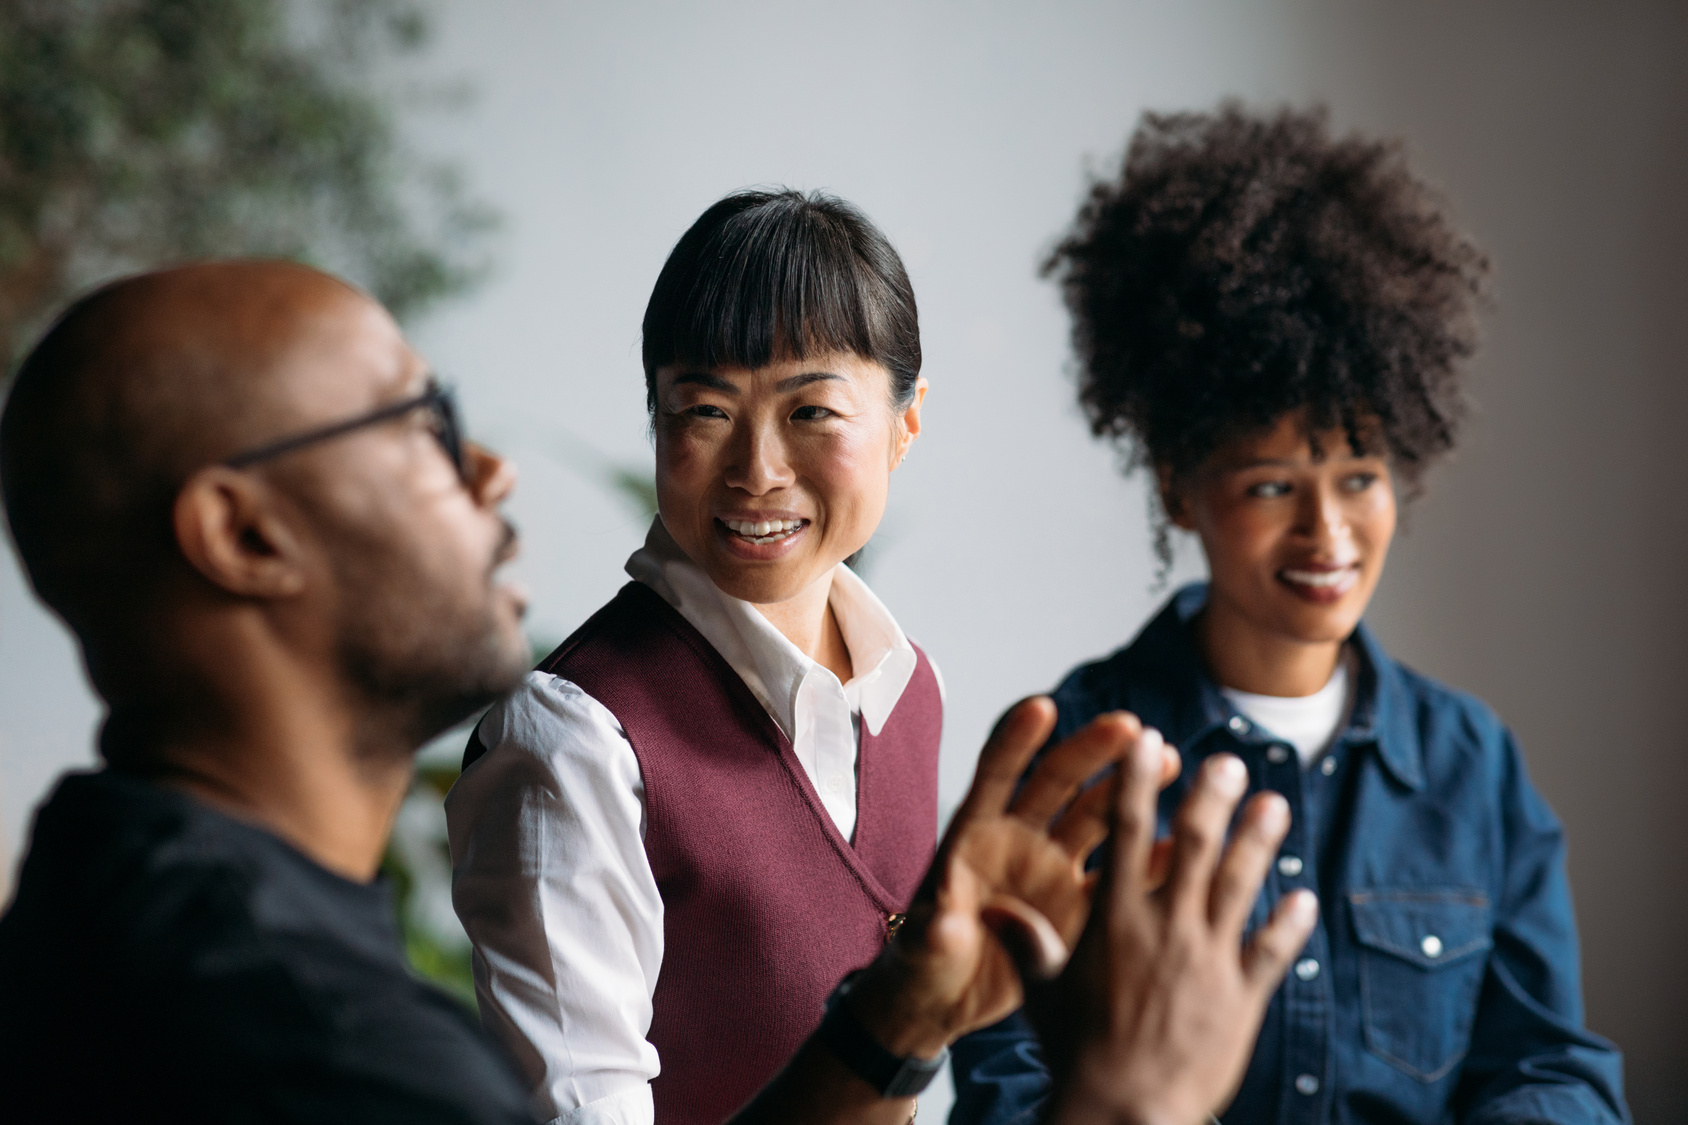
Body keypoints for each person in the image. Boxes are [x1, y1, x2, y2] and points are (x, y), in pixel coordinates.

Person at [0, 259, 1317, 1125]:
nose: (494, 469)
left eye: (814, 410)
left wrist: (900, 1015)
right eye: (421, 425)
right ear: (243, 536)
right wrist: (1130, 1104)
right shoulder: (317, 1051)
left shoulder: (120, 901)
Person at [948, 104, 1631, 1125]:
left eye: (1359, 477)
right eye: (1271, 486)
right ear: (1178, 488)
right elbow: (1006, 1088)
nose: (1328, 532)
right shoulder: (1082, 758)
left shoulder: (1471, 767)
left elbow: (1549, 1067)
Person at [445, 188, 942, 1124]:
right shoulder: (575, 739)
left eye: (812, 411)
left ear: (904, 426)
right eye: (706, 410)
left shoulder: (909, 690)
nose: (758, 469)